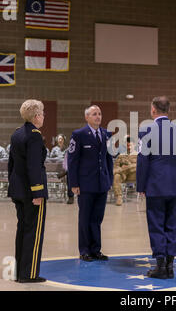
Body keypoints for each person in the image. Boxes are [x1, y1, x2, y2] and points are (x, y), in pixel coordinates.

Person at [137, 96, 176, 279]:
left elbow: (143, 161)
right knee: (173, 224)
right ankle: (170, 265)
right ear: (168, 110)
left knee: (156, 224)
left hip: (155, 184)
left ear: (153, 110)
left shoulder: (146, 130)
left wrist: (141, 185)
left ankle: (160, 265)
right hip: (175, 184)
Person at [7, 99, 48, 283]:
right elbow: (33, 166)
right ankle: (29, 273)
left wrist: (13, 186)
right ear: (37, 116)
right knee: (34, 231)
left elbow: (11, 165)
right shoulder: (34, 135)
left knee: (22, 229)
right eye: (43, 113)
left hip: (18, 190)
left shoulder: (17, 134)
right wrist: (38, 193)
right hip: (32, 192)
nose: (43, 116)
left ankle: (19, 272)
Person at [67, 105, 113, 262]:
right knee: (85, 217)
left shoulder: (106, 134)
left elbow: (108, 159)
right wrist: (73, 183)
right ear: (87, 117)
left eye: (99, 114)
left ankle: (96, 249)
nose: (98, 117)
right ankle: (85, 250)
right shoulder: (79, 135)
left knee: (97, 218)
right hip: (85, 184)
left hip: (102, 183)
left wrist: (110, 179)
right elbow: (73, 161)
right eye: (94, 114)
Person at [113, 136, 137, 206]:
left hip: (134, 175)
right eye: (127, 145)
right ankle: (119, 197)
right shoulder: (121, 155)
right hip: (124, 176)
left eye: (130, 145)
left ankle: (120, 171)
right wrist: (121, 169)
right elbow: (116, 166)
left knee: (135, 166)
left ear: (134, 145)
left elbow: (140, 167)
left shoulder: (139, 155)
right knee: (117, 176)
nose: (129, 147)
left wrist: (126, 167)